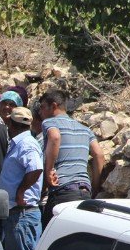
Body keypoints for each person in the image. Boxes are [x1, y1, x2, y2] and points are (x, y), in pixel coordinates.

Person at [39, 89, 106, 227]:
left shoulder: (49, 123)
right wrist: (95, 187)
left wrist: (49, 171)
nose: (40, 112)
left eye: (43, 107)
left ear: (54, 106)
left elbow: (55, 137)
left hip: (62, 191)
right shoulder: (85, 129)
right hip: (84, 192)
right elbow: (99, 155)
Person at [0, 106, 43, 250]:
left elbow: (35, 168)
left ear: (10, 124)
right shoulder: (19, 143)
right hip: (16, 213)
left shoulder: (26, 144)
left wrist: (21, 191)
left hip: (21, 214)